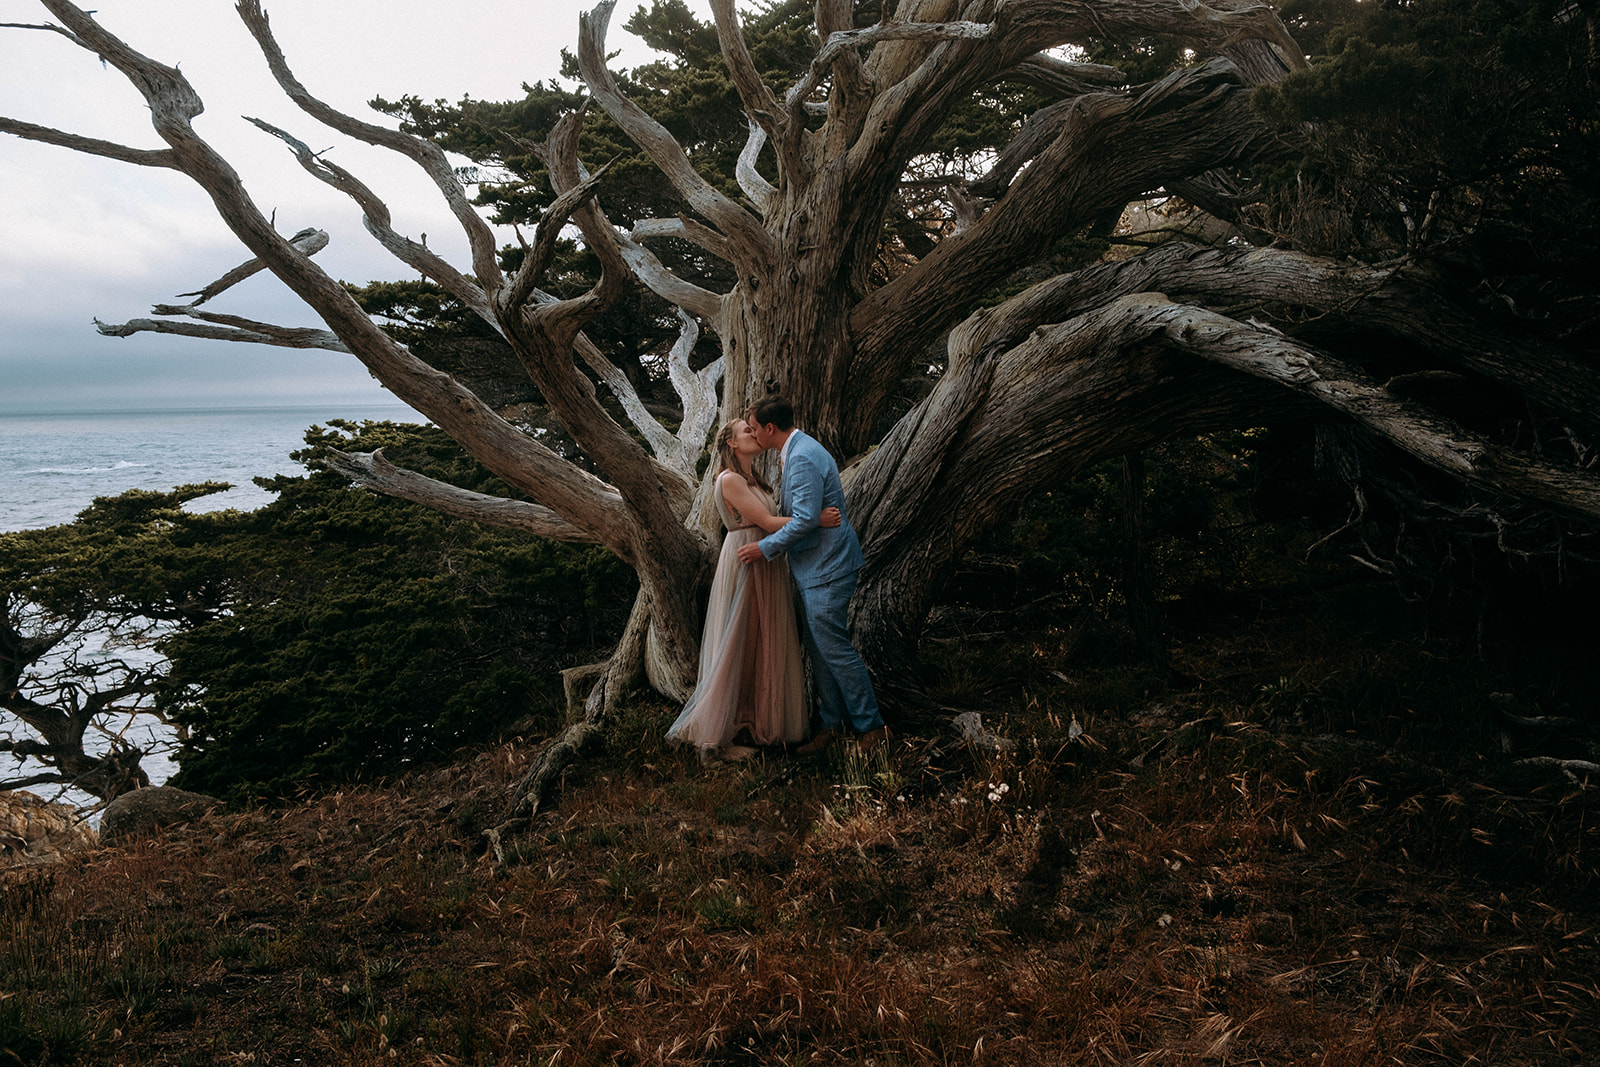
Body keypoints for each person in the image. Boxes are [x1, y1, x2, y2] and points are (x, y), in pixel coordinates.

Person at [666, 417, 840, 760]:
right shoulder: (729, 479)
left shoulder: (754, 480)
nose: (753, 433)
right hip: (747, 557)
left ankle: (749, 723)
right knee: (736, 639)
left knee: (761, 640)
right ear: (732, 443)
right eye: (746, 430)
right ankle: (712, 741)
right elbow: (767, 523)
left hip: (765, 557)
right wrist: (815, 519)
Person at [736, 396, 888, 754]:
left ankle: (873, 729)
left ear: (769, 428)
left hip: (828, 569)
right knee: (820, 652)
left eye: (755, 428)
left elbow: (804, 520)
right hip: (814, 568)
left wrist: (764, 548)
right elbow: (808, 515)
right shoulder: (798, 448)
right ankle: (832, 727)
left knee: (835, 650)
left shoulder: (802, 456)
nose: (754, 434)